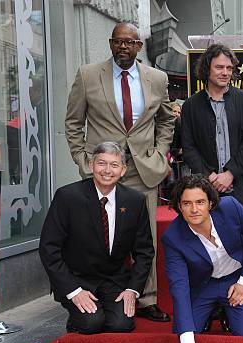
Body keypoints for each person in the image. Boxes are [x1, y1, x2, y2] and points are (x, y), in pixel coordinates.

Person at [65, 22, 174, 322]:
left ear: (139, 46)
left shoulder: (157, 78)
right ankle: (99, 292)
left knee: (145, 236)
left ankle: (146, 298)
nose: (123, 47)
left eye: (130, 42)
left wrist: (160, 155)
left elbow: (166, 120)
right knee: (99, 234)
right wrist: (82, 159)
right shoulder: (88, 75)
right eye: (118, 41)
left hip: (143, 168)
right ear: (110, 44)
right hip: (101, 170)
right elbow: (73, 122)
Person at [39, 142, 154, 334]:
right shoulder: (67, 197)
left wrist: (132, 290)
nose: (107, 170)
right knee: (91, 323)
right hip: (77, 279)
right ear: (91, 165)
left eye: (114, 165)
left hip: (115, 281)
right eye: (102, 163)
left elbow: (144, 251)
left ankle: (104, 310)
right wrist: (74, 291)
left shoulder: (135, 201)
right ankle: (78, 315)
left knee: (121, 325)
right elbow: (48, 248)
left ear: (123, 170)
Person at [162, 175, 243, 343]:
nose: (194, 209)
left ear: (210, 202)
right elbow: (179, 286)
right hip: (203, 286)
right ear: (179, 206)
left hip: (236, 278)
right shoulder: (172, 238)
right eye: (187, 203)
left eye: (200, 202)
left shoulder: (230, 207)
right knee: (186, 332)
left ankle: (225, 312)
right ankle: (213, 311)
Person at [181, 44, 243, 214]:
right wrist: (210, 177)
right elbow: (188, 147)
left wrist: (230, 174)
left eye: (229, 68)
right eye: (219, 67)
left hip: (241, 187)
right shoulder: (190, 106)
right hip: (204, 188)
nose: (225, 72)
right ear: (207, 68)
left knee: (241, 238)